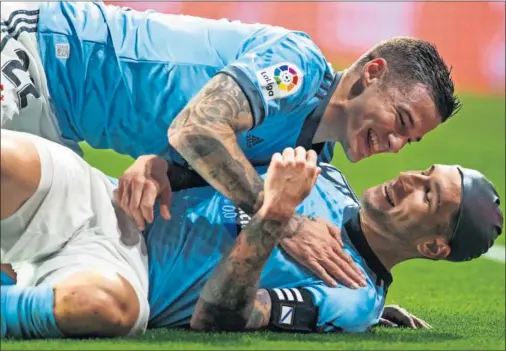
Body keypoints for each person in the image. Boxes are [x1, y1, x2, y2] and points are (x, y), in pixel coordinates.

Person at [1, 1, 462, 285]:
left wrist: (369, 297)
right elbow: (196, 129)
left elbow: (194, 175)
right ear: (373, 73)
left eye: (411, 138)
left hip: (57, 125)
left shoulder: (309, 156)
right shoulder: (296, 68)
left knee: (22, 265)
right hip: (41, 48)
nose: (397, 143)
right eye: (400, 120)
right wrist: (286, 223)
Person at [1, 130, 502, 338]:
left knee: (106, 310)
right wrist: (154, 164)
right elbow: (186, 162)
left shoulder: (352, 298)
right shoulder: (320, 172)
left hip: (122, 273)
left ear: (434, 247)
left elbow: (219, 318)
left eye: (429, 195)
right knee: (11, 160)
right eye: (425, 172)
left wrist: (274, 216)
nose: (409, 178)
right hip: (102, 199)